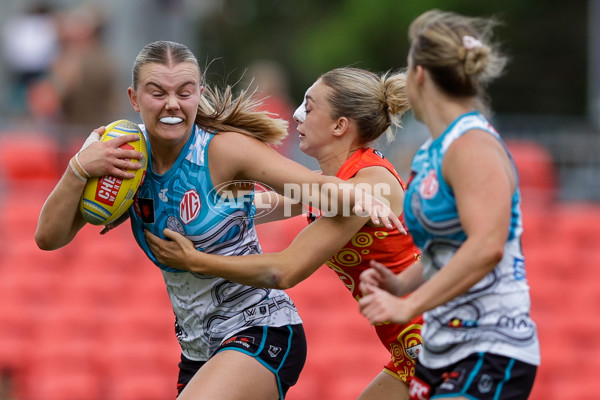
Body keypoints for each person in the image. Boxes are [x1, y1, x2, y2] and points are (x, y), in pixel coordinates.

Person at [34, 40, 399, 400]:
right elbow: (49, 238)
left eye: (184, 91)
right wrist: (78, 169)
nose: (172, 104)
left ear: (198, 94)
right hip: (198, 350)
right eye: (157, 92)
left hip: (260, 329)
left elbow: (314, 190)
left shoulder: (224, 149)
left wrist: (365, 195)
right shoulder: (125, 156)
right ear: (134, 98)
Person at [144, 66, 424, 400]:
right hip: (413, 352)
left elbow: (284, 270)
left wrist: (197, 260)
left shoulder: (367, 187)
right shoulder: (336, 183)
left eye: (309, 105)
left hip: (446, 341)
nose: (297, 114)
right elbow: (253, 204)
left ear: (340, 126)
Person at [358, 9, 540, 400]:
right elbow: (444, 252)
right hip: (441, 348)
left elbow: (486, 246)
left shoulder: (472, 145)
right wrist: (401, 283)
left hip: (491, 345)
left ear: (419, 75)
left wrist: (409, 306)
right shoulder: (430, 153)